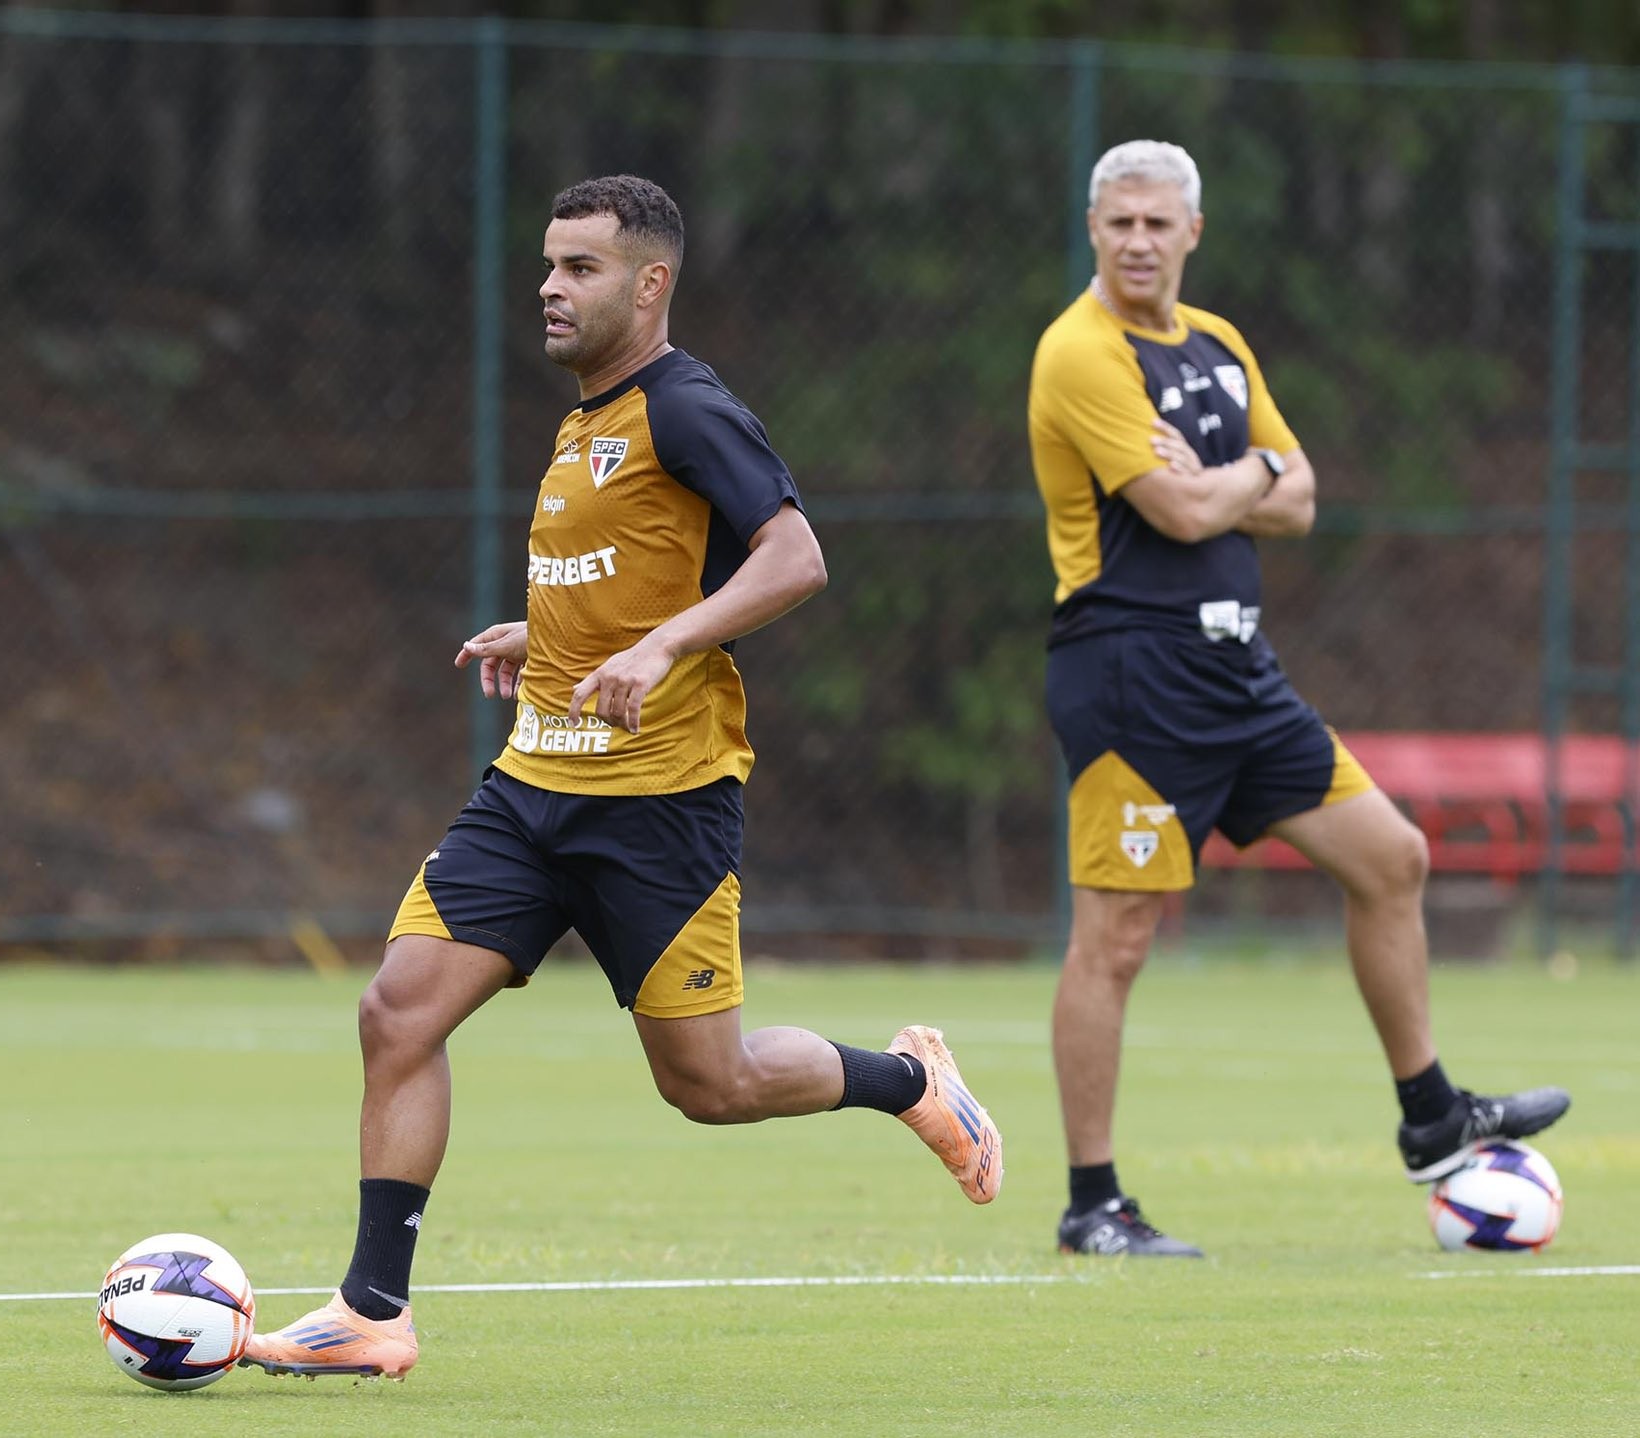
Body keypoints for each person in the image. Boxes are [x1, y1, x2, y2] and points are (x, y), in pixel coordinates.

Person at [238, 175, 1001, 1380]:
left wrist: (662, 647)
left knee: (710, 1083)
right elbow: (630, 572)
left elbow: (794, 558)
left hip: (659, 805)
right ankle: (371, 1311)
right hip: (529, 788)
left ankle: (911, 1082)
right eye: (547, 264)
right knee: (396, 1011)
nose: (549, 286)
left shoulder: (687, 409)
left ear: (649, 285)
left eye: (579, 268)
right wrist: (542, 638)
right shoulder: (581, 421)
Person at [1028, 140, 1569, 1258]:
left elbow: (1302, 496)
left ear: (1193, 230)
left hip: (1239, 672)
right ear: (1092, 230)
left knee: (1392, 858)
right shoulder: (1078, 351)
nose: (1138, 241)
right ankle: (1093, 1204)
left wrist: (1247, 477)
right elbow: (1178, 514)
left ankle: (1432, 1118)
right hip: (1132, 676)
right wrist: (1253, 480)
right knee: (1116, 939)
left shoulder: (1219, 345)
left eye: (1157, 222)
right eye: (1119, 222)